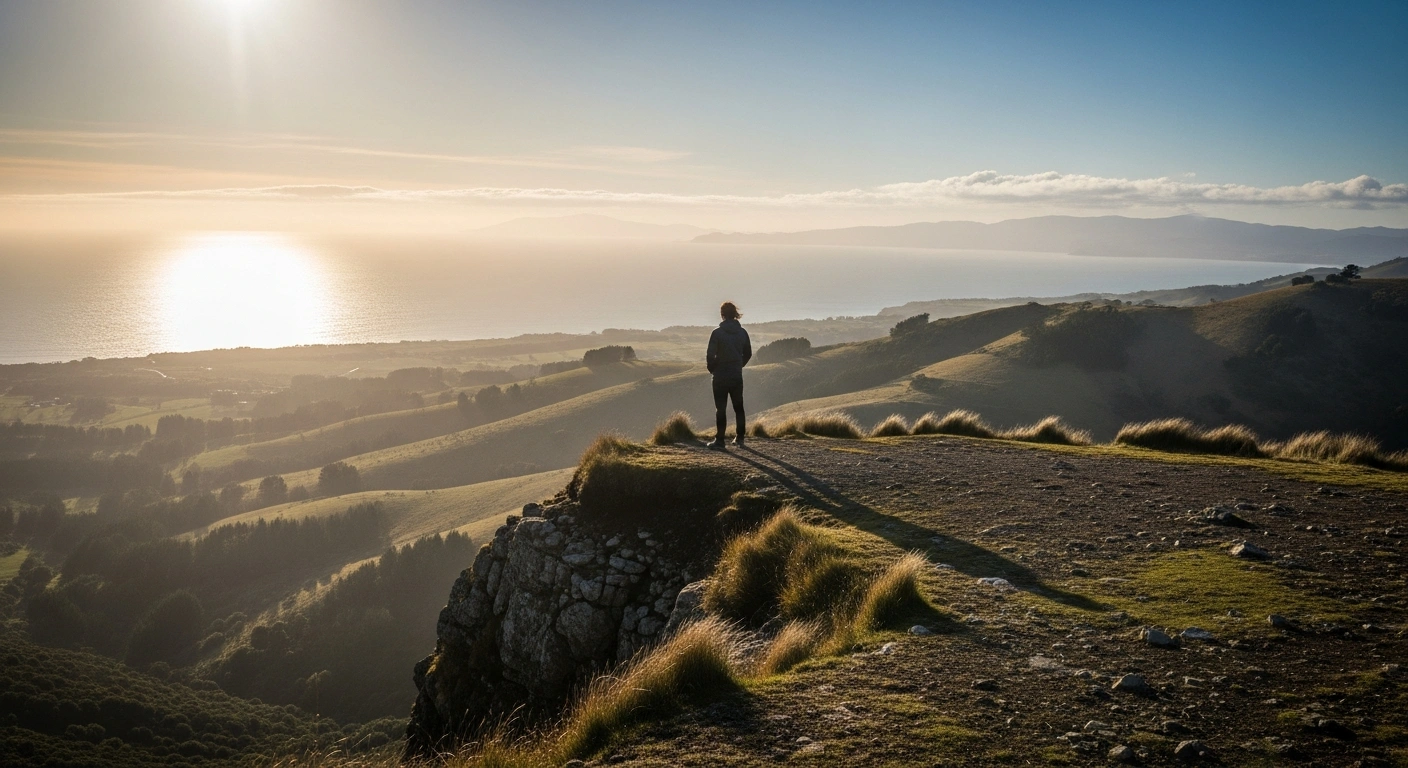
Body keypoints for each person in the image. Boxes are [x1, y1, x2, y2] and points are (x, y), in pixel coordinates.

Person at [706, 301, 751, 449]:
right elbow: (748, 354)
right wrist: (738, 365)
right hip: (736, 375)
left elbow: (710, 355)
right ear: (736, 314)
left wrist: (714, 369)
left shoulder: (717, 333)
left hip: (720, 376)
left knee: (721, 409)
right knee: (739, 407)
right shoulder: (743, 333)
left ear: (722, 314)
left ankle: (720, 440)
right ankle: (740, 438)